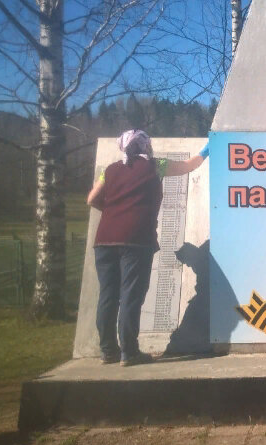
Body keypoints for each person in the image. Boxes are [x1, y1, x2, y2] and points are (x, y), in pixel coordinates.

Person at [87, 130, 209, 366]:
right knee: (131, 295)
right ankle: (129, 352)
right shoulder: (156, 165)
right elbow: (188, 166)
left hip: (104, 240)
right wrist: (206, 151)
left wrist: (113, 210)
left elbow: (92, 199)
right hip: (136, 240)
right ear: (146, 147)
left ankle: (108, 351)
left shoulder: (110, 170)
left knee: (108, 296)